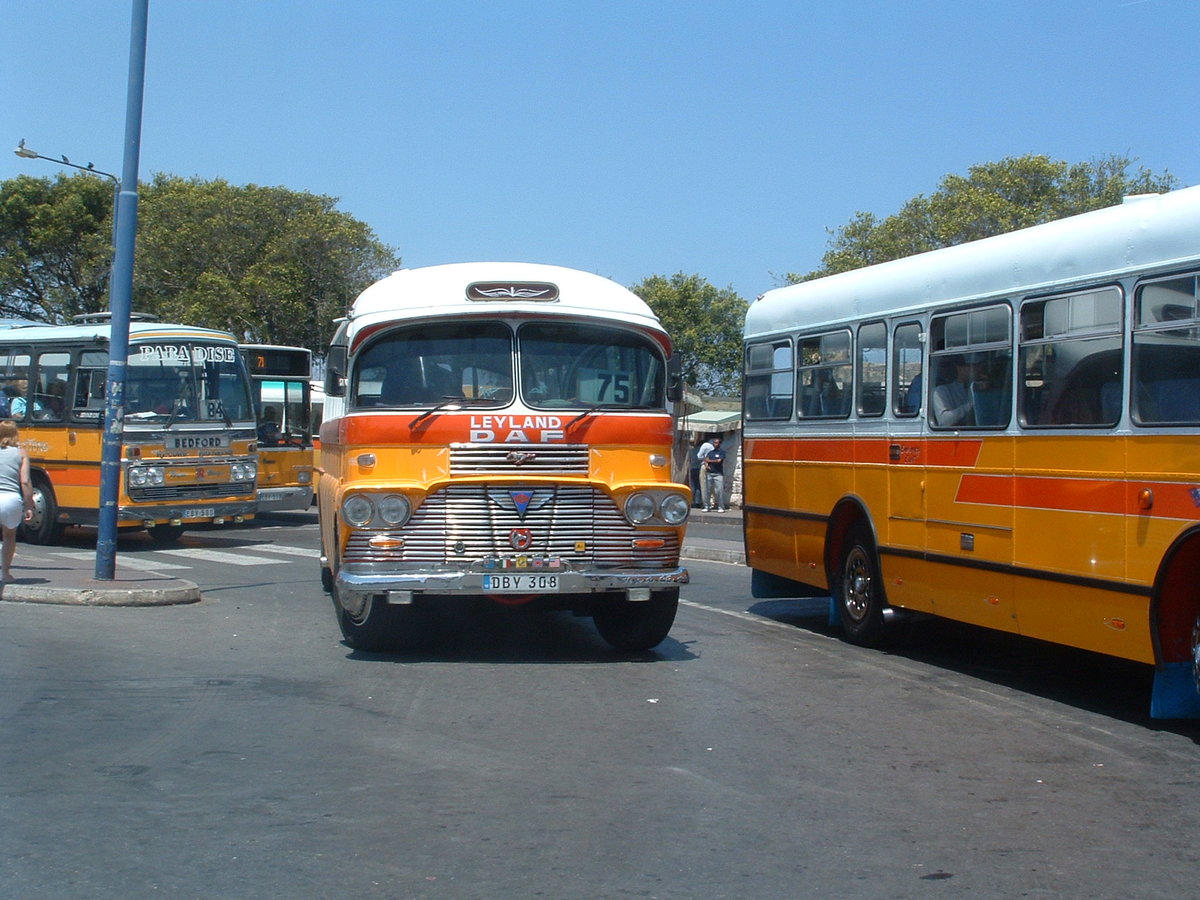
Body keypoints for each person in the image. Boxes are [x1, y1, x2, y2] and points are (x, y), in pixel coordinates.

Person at [0, 419, 35, 588]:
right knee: (9, 536)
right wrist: (29, 505)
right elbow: (26, 481)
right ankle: (5, 573)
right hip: (11, 499)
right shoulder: (21, 453)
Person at [931, 356, 975, 426]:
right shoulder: (941, 391)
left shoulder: (973, 388)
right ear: (960, 369)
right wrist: (972, 405)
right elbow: (944, 420)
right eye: (973, 366)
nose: (978, 370)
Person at [703, 435, 728, 512]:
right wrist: (707, 465)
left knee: (719, 491)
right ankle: (707, 506)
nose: (715, 444)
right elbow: (705, 460)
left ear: (719, 444)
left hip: (718, 474)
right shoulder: (710, 452)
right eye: (714, 443)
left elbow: (719, 461)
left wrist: (709, 461)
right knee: (707, 490)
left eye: (716, 443)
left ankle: (721, 507)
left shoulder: (722, 452)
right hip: (710, 473)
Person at [694, 434, 715, 509]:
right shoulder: (718, 446)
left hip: (705, 466)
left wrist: (705, 458)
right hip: (715, 466)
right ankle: (714, 503)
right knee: (714, 485)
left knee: (703, 485)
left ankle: (705, 503)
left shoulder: (705, 445)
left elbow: (699, 456)